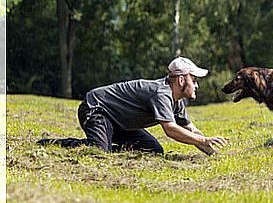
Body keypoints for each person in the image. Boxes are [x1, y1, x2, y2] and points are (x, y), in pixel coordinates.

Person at [37, 57, 228, 156]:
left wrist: (213, 153)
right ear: (180, 80)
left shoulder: (176, 100)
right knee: (98, 151)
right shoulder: (161, 93)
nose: (196, 85)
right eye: (193, 80)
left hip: (119, 122)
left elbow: (191, 129)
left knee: (153, 151)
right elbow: (171, 130)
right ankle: (51, 143)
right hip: (96, 109)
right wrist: (203, 141)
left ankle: (108, 144)